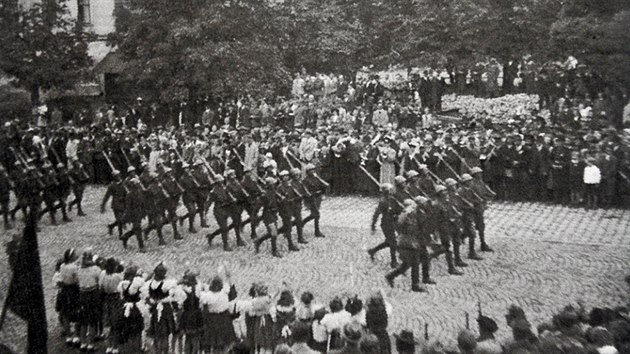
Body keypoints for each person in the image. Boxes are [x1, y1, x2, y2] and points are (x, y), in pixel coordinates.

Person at [385, 197, 429, 292]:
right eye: (424, 203)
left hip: (409, 241)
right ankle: (415, 284)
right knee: (415, 262)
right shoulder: (411, 214)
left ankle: (390, 276)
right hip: (408, 241)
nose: (426, 205)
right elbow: (411, 228)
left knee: (408, 264)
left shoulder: (412, 213)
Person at [143, 262, 178, 354]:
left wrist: (152, 302)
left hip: (155, 309)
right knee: (165, 333)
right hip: (165, 310)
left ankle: (157, 351)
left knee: (156, 333)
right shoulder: (167, 284)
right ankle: (164, 351)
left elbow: (146, 297)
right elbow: (173, 296)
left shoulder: (150, 284)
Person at [368, 183, 402, 268]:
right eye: (388, 191)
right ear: (385, 192)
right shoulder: (383, 201)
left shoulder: (391, 199)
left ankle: (373, 250)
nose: (390, 192)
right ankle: (393, 262)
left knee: (389, 241)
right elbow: (376, 214)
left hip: (393, 221)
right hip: (386, 223)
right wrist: (373, 225)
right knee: (393, 242)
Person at [76, 248, 102, 352]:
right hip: (93, 295)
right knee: (92, 320)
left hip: (82, 295)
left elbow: (77, 281)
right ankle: (90, 344)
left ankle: (83, 343)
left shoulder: (79, 269)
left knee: (83, 320)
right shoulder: (96, 269)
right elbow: (99, 281)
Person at [53, 248, 80, 347]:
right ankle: (76, 336)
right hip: (73, 291)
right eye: (75, 255)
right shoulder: (74, 267)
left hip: (64, 291)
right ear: (71, 257)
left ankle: (68, 336)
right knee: (77, 311)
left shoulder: (62, 266)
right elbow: (77, 279)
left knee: (65, 313)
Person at [254, 177, 283, 257]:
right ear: (269, 185)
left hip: (274, 214)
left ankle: (258, 241)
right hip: (267, 215)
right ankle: (274, 251)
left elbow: (278, 202)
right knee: (273, 232)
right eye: (273, 184)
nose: (274, 185)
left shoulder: (274, 192)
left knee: (273, 232)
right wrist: (256, 217)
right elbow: (257, 206)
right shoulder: (264, 194)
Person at [302, 163, 327, 238]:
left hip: (317, 198)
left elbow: (325, 186)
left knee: (314, 215)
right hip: (311, 199)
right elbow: (306, 192)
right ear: (307, 172)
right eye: (310, 170)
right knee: (316, 215)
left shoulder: (316, 178)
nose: (313, 171)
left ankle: (302, 223)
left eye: (313, 170)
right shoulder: (305, 180)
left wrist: (319, 179)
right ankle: (317, 231)